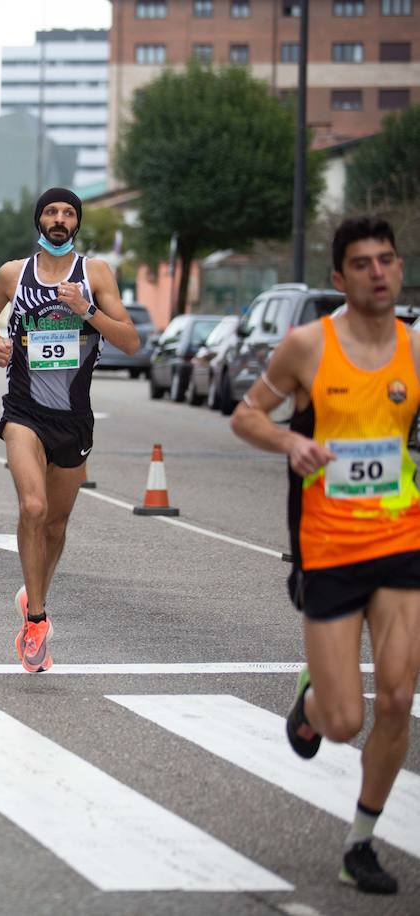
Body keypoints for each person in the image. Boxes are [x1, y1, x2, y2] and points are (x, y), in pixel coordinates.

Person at [230, 216, 418, 896]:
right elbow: (246, 415)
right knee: (344, 723)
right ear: (340, 278)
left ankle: (360, 844)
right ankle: (314, 701)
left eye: (387, 261)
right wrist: (290, 444)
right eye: (363, 263)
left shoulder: (414, 349)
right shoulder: (308, 346)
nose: (377, 272)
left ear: (399, 270)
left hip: (400, 542)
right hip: (330, 546)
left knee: (398, 695)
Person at [0, 188, 138, 673]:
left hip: (74, 416)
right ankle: (37, 622)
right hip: (24, 410)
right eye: (51, 211)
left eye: (68, 213)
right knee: (33, 506)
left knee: (56, 523)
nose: (59, 219)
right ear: (39, 221)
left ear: (77, 223)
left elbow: (129, 340)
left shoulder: (96, 274)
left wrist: (86, 309)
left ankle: (34, 592)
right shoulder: (13, 274)